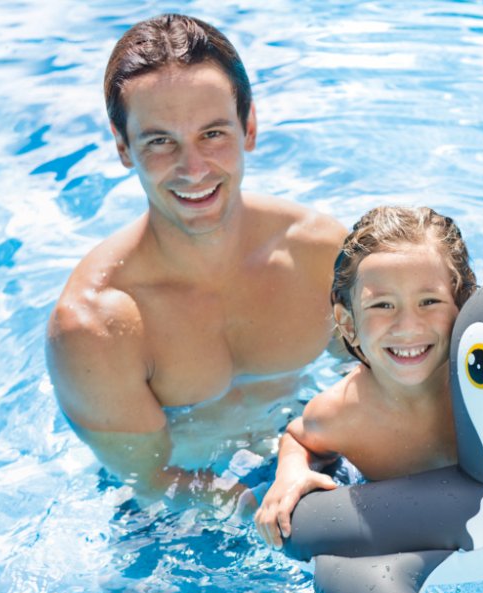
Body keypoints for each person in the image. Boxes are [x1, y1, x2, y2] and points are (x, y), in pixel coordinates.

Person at [45, 14, 347, 509]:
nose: (193, 169)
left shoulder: (318, 255)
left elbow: (373, 384)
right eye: (160, 141)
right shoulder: (95, 325)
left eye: (212, 134)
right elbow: (147, 478)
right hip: (176, 517)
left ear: (249, 127)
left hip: (305, 459)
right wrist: (259, 512)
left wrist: (300, 467)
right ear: (123, 147)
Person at [254, 206, 483, 547]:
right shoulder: (343, 413)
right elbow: (299, 438)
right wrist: (290, 473)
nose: (408, 326)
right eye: (382, 305)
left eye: (429, 301)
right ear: (348, 324)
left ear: (463, 305)